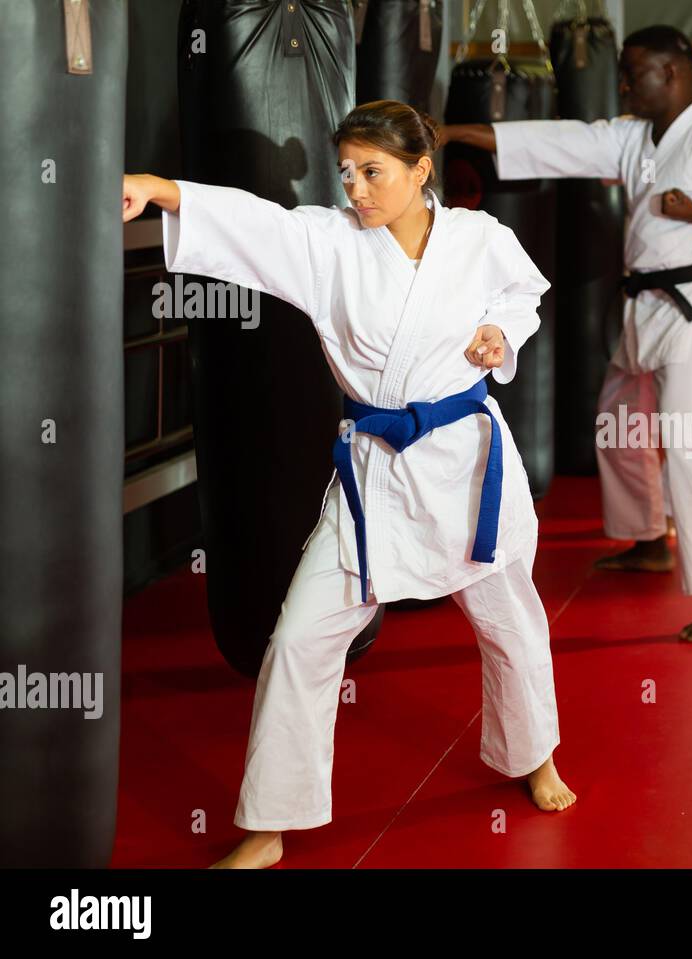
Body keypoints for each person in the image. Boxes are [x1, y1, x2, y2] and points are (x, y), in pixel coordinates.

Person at [122, 100, 574, 869]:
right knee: (299, 637)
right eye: (347, 173)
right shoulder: (327, 240)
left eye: (373, 172)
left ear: (420, 172)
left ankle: (536, 757)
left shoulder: (477, 237)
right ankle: (268, 825)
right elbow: (253, 224)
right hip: (373, 472)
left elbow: (522, 294)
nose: (356, 189)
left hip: (466, 465)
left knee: (512, 622)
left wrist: (505, 333)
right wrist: (163, 189)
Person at [441, 25, 692, 641]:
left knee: (690, 447)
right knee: (617, 422)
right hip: (647, 306)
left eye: (636, 72)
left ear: (675, 72)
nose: (625, 83)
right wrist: (455, 133)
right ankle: (649, 539)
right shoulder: (636, 137)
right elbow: (561, 142)